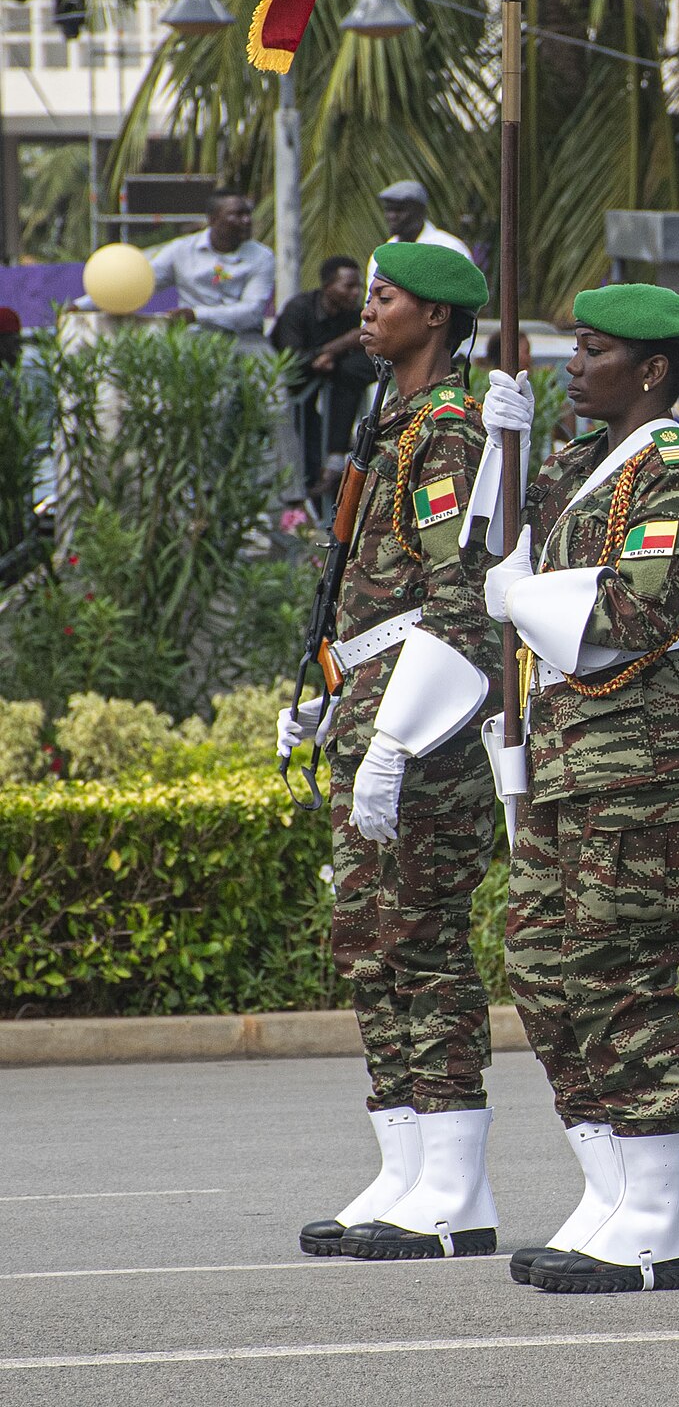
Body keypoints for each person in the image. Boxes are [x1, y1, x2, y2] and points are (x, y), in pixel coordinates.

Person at [475, 284, 679, 1294]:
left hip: (640, 756)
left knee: (619, 972)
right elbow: (489, 561)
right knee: (543, 964)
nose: (572, 364)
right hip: (568, 747)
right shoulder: (579, 461)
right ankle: (611, 1186)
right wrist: (506, 448)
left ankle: (659, 1211)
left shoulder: (675, 468)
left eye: (593, 350)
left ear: (655, 368)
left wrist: (522, 594)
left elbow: (634, 607)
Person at [276, 241, 502, 1263]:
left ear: (439, 319)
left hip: (421, 717)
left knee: (423, 937)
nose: (368, 309)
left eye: (388, 296)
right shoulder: (392, 421)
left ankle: (455, 1181)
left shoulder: (449, 428)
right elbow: (368, 593)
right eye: (369, 293)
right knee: (372, 940)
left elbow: (457, 607)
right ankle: (403, 1163)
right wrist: (329, 694)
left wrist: (397, 739)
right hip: (369, 696)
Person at [76, 190, 274, 338]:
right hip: (192, 337)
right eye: (236, 215)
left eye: (248, 214)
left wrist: (196, 314)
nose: (247, 221)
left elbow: (251, 311)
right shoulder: (181, 250)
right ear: (213, 220)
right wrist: (81, 305)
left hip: (244, 338)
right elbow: (139, 282)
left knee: (268, 380)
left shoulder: (262, 257)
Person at [272, 255, 376, 503]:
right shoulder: (299, 309)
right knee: (298, 455)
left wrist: (330, 355)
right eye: (348, 286)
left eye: (358, 286)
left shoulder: (349, 315)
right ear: (328, 286)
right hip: (287, 395)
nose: (356, 293)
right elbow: (290, 360)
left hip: (319, 396)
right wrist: (336, 347)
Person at [379, 179, 474, 262]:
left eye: (399, 210)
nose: (392, 216)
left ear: (421, 211)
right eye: (388, 210)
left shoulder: (449, 248)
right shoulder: (382, 256)